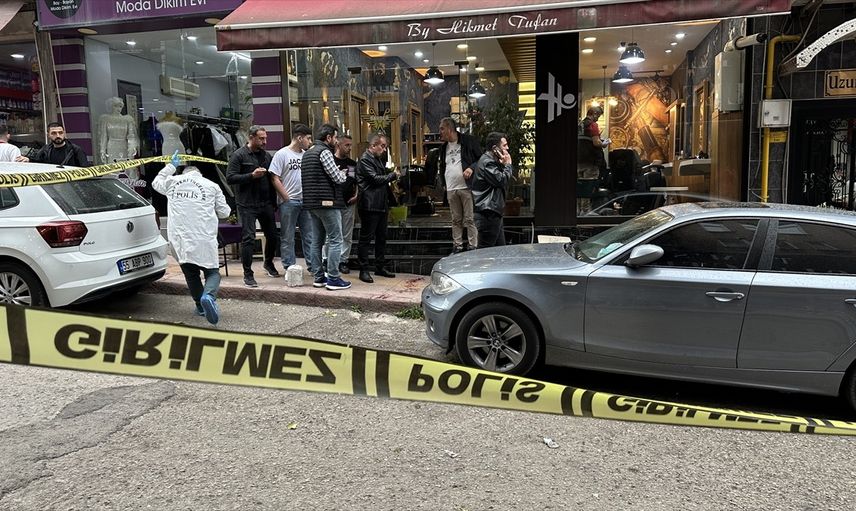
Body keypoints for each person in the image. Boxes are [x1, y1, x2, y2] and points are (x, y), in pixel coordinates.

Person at [152, 151, 231, 325]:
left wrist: (170, 166)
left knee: (191, 273)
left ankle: (200, 307)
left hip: (180, 238)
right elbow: (225, 212)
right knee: (212, 272)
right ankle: (208, 296)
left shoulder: (173, 182)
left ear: (184, 172)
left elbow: (156, 182)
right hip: (203, 236)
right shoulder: (211, 185)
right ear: (199, 174)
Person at [225, 125, 280, 288]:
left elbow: (272, 179)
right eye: (261, 138)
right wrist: (251, 175)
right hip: (247, 204)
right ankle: (248, 274)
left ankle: (268, 263)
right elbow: (230, 178)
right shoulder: (239, 155)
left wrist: (274, 201)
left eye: (265, 138)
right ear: (251, 137)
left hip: (265, 202)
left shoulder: (266, 156)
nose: (265, 141)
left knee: (273, 236)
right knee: (248, 238)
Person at [301, 123, 350, 291]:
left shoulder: (307, 153)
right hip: (327, 202)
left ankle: (319, 277)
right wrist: (343, 173)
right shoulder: (324, 152)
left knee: (316, 241)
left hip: (311, 203)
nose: (336, 141)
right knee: (336, 239)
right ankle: (334, 278)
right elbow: (337, 178)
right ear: (328, 137)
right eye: (335, 137)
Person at [269, 123, 315, 272]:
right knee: (288, 236)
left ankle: (313, 266)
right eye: (308, 138)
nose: (310, 142)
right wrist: (286, 197)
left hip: (305, 200)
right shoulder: (282, 154)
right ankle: (289, 266)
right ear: (300, 138)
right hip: (289, 201)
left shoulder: (306, 155)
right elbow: (274, 177)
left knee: (309, 235)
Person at [355, 133, 400, 283]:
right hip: (370, 205)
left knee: (382, 237)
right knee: (366, 238)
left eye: (385, 147)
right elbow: (374, 179)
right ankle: (364, 270)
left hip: (380, 204)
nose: (384, 149)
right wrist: (392, 175)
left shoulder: (376, 159)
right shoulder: (365, 160)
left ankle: (380, 267)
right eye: (382, 146)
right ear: (373, 145)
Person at [438, 117, 481, 253]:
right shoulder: (443, 147)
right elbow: (442, 166)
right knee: (455, 219)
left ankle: (473, 245)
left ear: (450, 129)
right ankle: (457, 246)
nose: (440, 132)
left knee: (469, 218)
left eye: (442, 129)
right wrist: (443, 183)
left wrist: (471, 168)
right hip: (451, 187)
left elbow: (481, 159)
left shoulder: (468, 141)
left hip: (466, 186)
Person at [472, 132, 513, 249]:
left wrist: (502, 165)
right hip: (488, 213)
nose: (507, 148)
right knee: (485, 252)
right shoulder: (487, 162)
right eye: (504, 145)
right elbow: (502, 180)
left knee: (500, 250)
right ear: (495, 148)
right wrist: (508, 165)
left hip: (492, 212)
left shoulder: (490, 161)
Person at [333, 134, 358, 275]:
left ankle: (343, 260)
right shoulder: (330, 161)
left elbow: (355, 181)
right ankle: (329, 260)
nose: (349, 148)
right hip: (333, 203)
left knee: (347, 234)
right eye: (346, 145)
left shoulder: (351, 164)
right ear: (338, 144)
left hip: (348, 202)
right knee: (331, 234)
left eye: (350, 145)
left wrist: (356, 195)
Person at [22, 122, 89, 166]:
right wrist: (28, 160)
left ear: (64, 133)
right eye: (54, 133)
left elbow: (85, 170)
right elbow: (37, 161)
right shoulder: (46, 149)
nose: (58, 136)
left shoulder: (75, 150)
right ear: (48, 135)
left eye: (60, 133)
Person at [98, 96, 138, 165]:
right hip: (111, 146)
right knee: (113, 165)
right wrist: (102, 151)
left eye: (120, 106)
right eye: (115, 106)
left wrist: (132, 147)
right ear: (111, 107)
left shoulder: (127, 120)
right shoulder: (106, 119)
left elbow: (131, 136)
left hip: (124, 145)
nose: (118, 108)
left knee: (124, 165)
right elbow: (104, 136)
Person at [578, 105, 610, 180]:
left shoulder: (580, 124)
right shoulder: (593, 124)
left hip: (579, 160)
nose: (597, 119)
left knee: (580, 182)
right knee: (590, 183)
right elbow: (596, 143)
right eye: (598, 116)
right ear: (594, 113)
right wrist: (604, 144)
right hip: (591, 161)